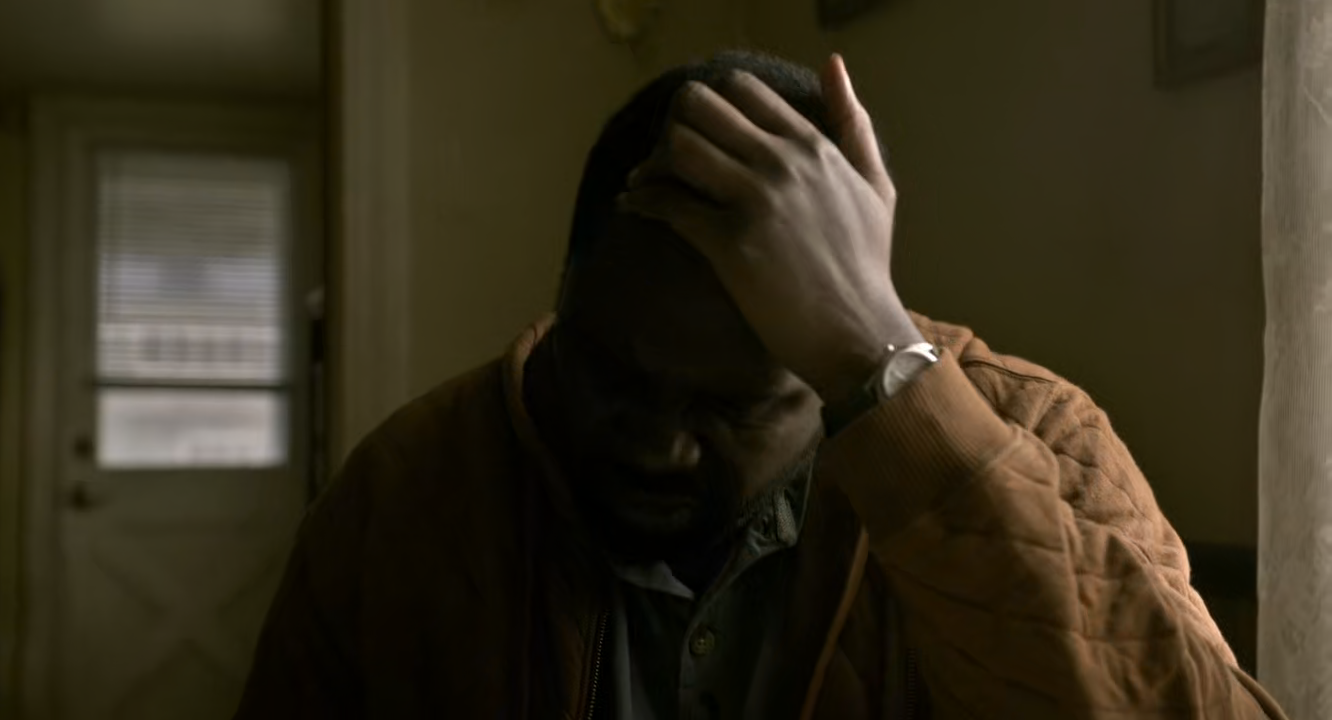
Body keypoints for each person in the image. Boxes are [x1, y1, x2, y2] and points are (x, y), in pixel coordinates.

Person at [235, 50, 1289, 719]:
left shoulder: (1038, 436)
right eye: (608, 372)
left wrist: (887, 374)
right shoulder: (409, 492)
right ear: (565, 290)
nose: (655, 443)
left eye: (730, 407)